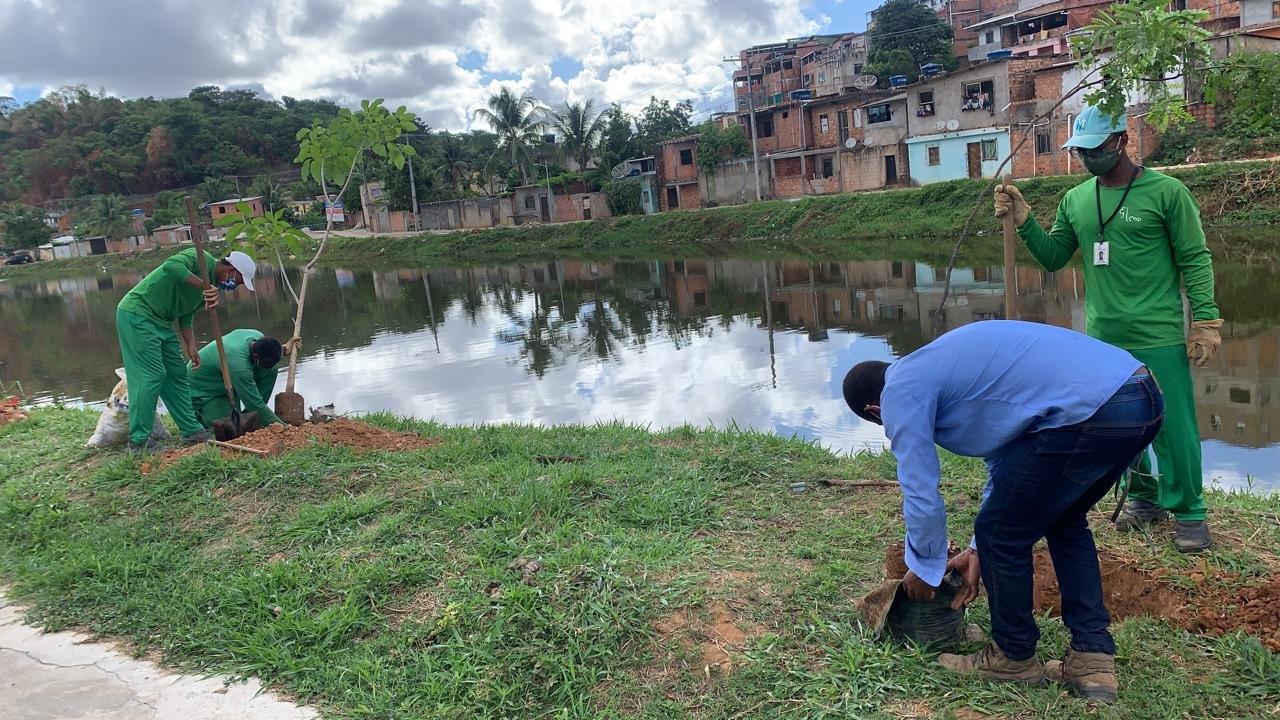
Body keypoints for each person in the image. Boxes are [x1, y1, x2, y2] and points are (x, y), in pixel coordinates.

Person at [843, 320, 1163, 704]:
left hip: (1092, 408)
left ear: (875, 410)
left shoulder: (902, 389)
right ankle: (1092, 661)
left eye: (883, 424)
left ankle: (1013, 655)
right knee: (1064, 520)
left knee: (1002, 532)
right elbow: (1005, 464)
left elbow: (921, 490)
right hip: (1139, 394)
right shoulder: (946, 369)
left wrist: (926, 568)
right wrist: (978, 551)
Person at [994, 104, 1220, 553]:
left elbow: (1195, 259)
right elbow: (1055, 255)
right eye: (1081, 151)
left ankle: (1190, 510)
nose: (1088, 157)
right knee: (1122, 426)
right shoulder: (1076, 200)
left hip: (1159, 333)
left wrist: (1206, 319)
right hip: (1104, 339)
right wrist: (1024, 223)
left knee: (1173, 425)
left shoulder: (1167, 193)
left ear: (1122, 140)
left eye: (1096, 148)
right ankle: (1144, 497)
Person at [115, 248, 257, 454]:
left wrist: (190, 344)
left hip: (163, 322)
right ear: (230, 269)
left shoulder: (211, 291)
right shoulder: (199, 258)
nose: (234, 286)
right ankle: (138, 441)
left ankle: (191, 430)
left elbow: (186, 314)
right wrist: (203, 285)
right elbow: (170, 266)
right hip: (138, 313)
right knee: (151, 375)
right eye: (238, 280)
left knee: (177, 375)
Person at [188, 329, 286, 430]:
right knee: (228, 429)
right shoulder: (239, 366)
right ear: (255, 356)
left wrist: (283, 349)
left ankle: (252, 416)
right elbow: (252, 401)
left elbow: (270, 350)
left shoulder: (257, 336)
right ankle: (198, 414)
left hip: (227, 377)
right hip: (204, 389)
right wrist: (283, 427)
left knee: (272, 370)